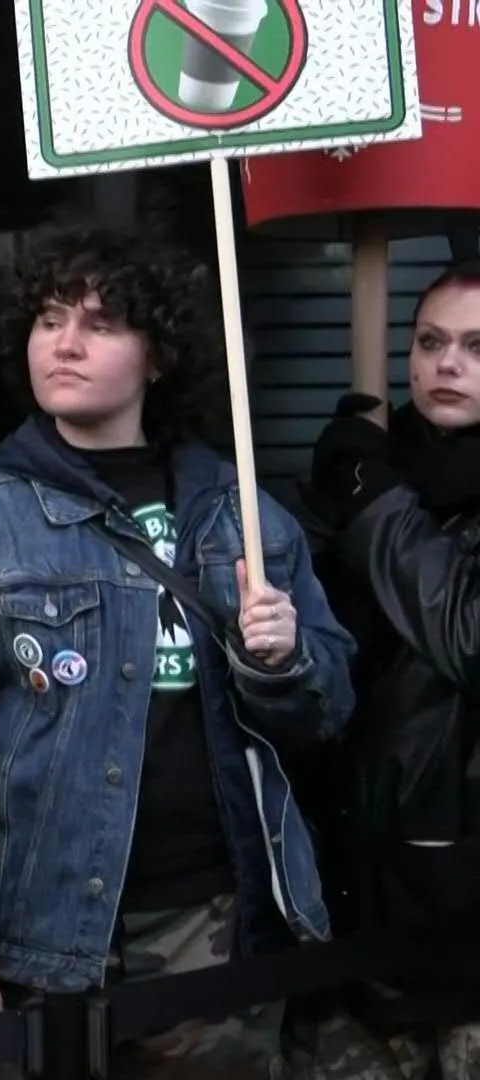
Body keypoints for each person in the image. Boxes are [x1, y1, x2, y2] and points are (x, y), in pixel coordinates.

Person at [0, 225, 356, 1078]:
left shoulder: (240, 513)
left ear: (158, 355)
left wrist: (282, 664)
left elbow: (328, 714)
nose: (65, 342)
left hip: (215, 924)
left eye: (102, 322)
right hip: (36, 936)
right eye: (49, 318)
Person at [299, 261, 480, 1077]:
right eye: (431, 340)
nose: (447, 364)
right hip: (352, 885)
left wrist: (374, 498)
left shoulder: (380, 487)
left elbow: (466, 634)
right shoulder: (372, 461)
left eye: (478, 347)